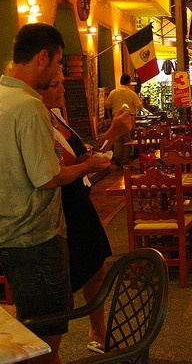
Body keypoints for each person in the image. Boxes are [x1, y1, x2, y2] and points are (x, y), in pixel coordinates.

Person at [0, 23, 110, 364]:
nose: (61, 72)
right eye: (60, 63)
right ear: (42, 57)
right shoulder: (29, 106)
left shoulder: (3, 97)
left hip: (10, 236)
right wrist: (87, 167)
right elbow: (47, 177)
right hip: (37, 239)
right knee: (45, 343)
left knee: (31, 333)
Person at [38, 68, 131, 353]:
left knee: (97, 268)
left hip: (79, 203)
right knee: (58, 285)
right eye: (56, 85)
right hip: (61, 208)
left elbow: (83, 158)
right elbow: (54, 172)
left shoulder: (56, 116)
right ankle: (48, 350)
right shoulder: (35, 121)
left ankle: (97, 330)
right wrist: (91, 160)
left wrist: (112, 133)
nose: (63, 91)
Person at [104, 74, 143, 168]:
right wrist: (141, 102)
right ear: (129, 82)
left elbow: (107, 105)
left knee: (117, 140)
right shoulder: (131, 93)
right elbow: (139, 107)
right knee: (128, 140)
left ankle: (117, 160)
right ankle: (125, 162)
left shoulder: (113, 92)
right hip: (128, 118)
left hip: (116, 118)